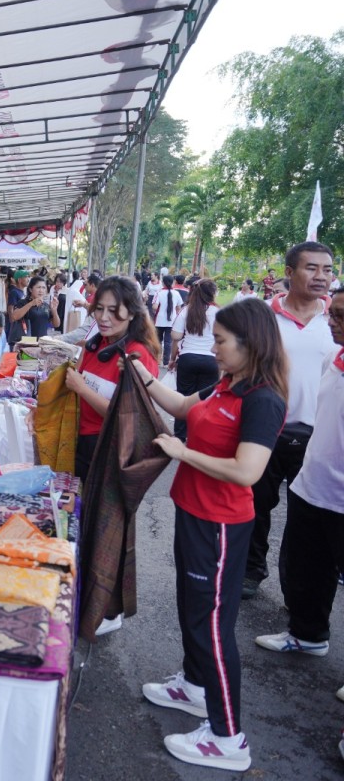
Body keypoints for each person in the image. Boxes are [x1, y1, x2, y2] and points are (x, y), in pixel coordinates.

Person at [133, 298, 288, 772]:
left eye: (221, 341)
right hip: (193, 513)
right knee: (191, 607)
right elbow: (180, 404)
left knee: (213, 627)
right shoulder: (229, 383)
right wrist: (137, 369)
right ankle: (195, 686)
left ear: (250, 343)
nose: (214, 348)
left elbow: (246, 471)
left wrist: (182, 453)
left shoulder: (263, 399)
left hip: (222, 523)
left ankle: (228, 737)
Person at [254, 287, 344, 661]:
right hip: (313, 485)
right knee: (309, 568)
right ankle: (307, 635)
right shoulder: (334, 357)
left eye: (340, 316)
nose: (332, 321)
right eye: (332, 314)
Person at [244, 241, 336, 600]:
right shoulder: (263, 316)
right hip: (266, 433)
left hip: (320, 438)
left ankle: (300, 599)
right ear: (288, 272)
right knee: (255, 508)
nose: (321, 277)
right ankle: (251, 571)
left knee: (310, 522)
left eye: (328, 269)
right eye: (311, 268)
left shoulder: (336, 318)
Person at [66, 275, 161, 489]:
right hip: (82, 444)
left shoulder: (137, 354)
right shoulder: (97, 344)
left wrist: (81, 388)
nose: (103, 317)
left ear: (132, 313)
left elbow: (127, 415)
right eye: (99, 308)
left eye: (113, 310)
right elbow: (75, 383)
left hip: (110, 450)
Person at [169, 279, 220, 441]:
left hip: (187, 358)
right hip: (212, 361)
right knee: (205, 400)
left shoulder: (186, 310)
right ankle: (198, 435)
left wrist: (172, 359)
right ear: (212, 293)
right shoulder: (219, 312)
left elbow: (175, 336)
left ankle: (179, 436)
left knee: (183, 398)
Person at [153, 275, 183, 364]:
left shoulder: (159, 292)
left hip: (159, 321)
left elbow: (154, 306)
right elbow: (179, 308)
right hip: (171, 321)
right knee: (168, 342)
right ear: (173, 282)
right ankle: (166, 361)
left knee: (158, 341)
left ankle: (157, 360)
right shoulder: (176, 293)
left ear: (163, 283)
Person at [6, 269, 33, 346]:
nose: (28, 279)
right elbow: (10, 308)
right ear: (19, 279)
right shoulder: (14, 292)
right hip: (16, 326)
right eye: (26, 277)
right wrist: (12, 323)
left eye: (28, 277)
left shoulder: (22, 292)